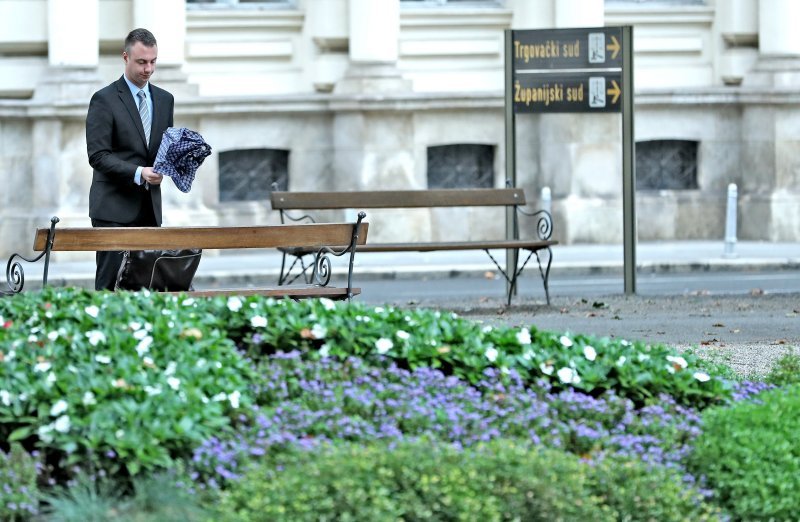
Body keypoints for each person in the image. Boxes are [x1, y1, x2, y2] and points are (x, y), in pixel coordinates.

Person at [85, 28, 174, 290]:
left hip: (150, 209)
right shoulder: (103, 99)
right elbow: (98, 156)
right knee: (108, 288)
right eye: (141, 62)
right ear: (125, 57)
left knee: (145, 289)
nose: (148, 69)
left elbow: (162, 152)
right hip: (112, 210)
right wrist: (138, 172)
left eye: (153, 62)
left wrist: (181, 161)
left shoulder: (165, 100)